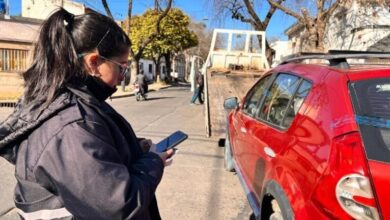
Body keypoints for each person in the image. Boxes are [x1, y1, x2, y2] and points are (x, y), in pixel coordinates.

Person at [0, 8, 173, 220]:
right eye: (122, 67)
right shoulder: (69, 126)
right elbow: (119, 206)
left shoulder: (79, 103)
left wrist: (135, 148)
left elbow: (96, 149)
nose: (122, 78)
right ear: (93, 62)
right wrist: (153, 161)